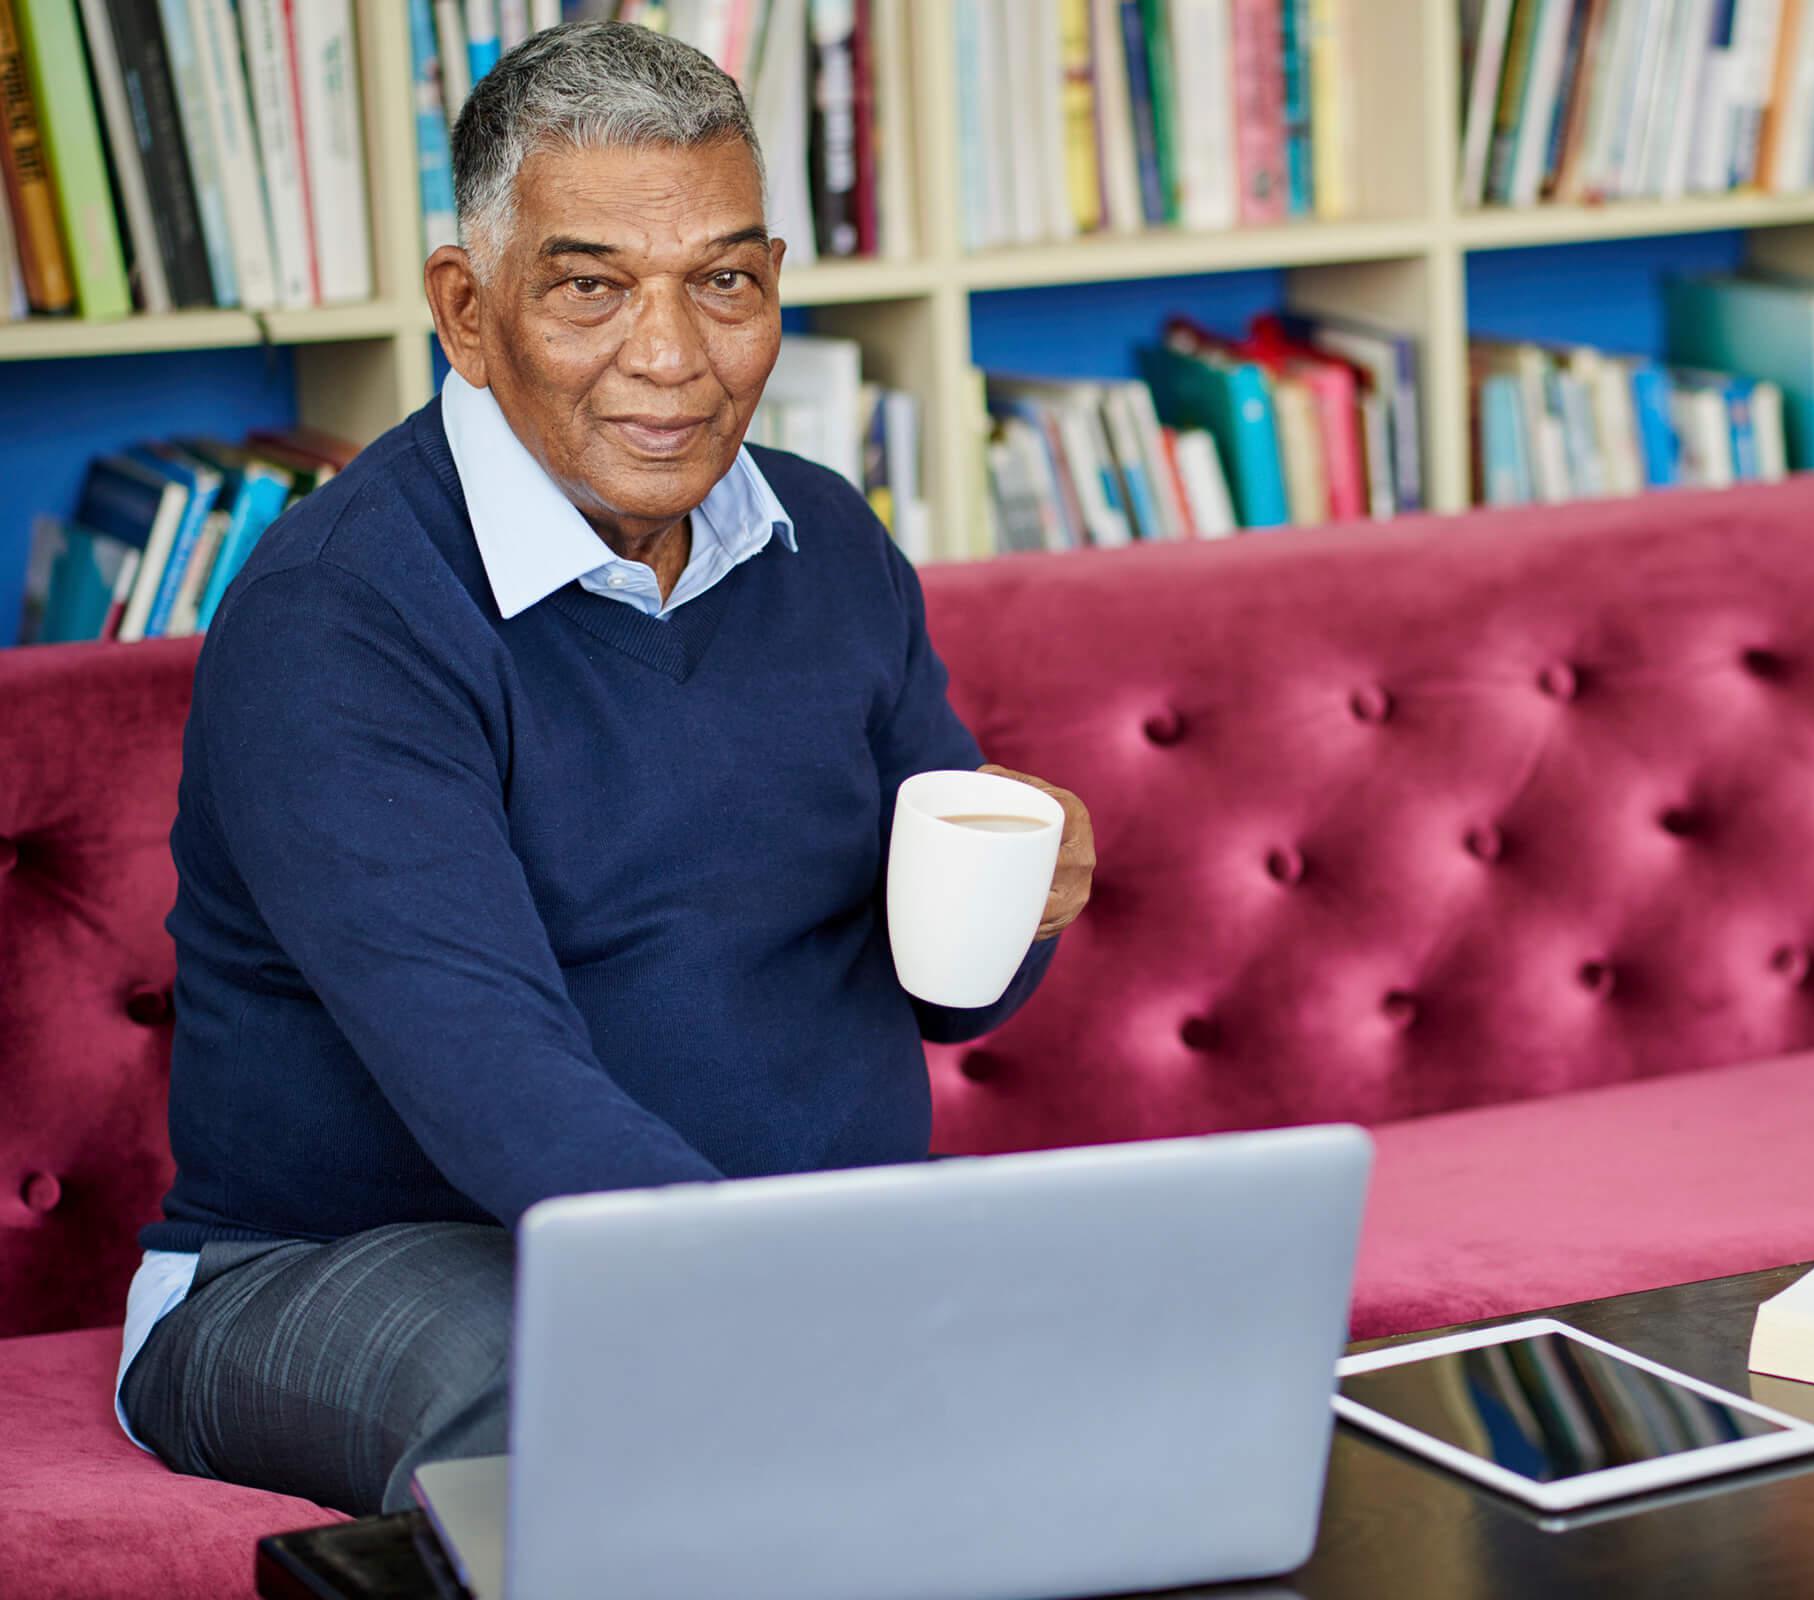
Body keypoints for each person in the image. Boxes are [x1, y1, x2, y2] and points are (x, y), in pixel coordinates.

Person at [115, 21, 1095, 1517]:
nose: (671, 359)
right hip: (342, 1267)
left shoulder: (823, 539)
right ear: (467, 309)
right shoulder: (346, 611)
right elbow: (494, 1079)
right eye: (589, 288)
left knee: (1120, 1356)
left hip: (768, 1257)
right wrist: (821, 1316)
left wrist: (1023, 892)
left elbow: (945, 989)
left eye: (723, 285)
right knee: (594, 1400)